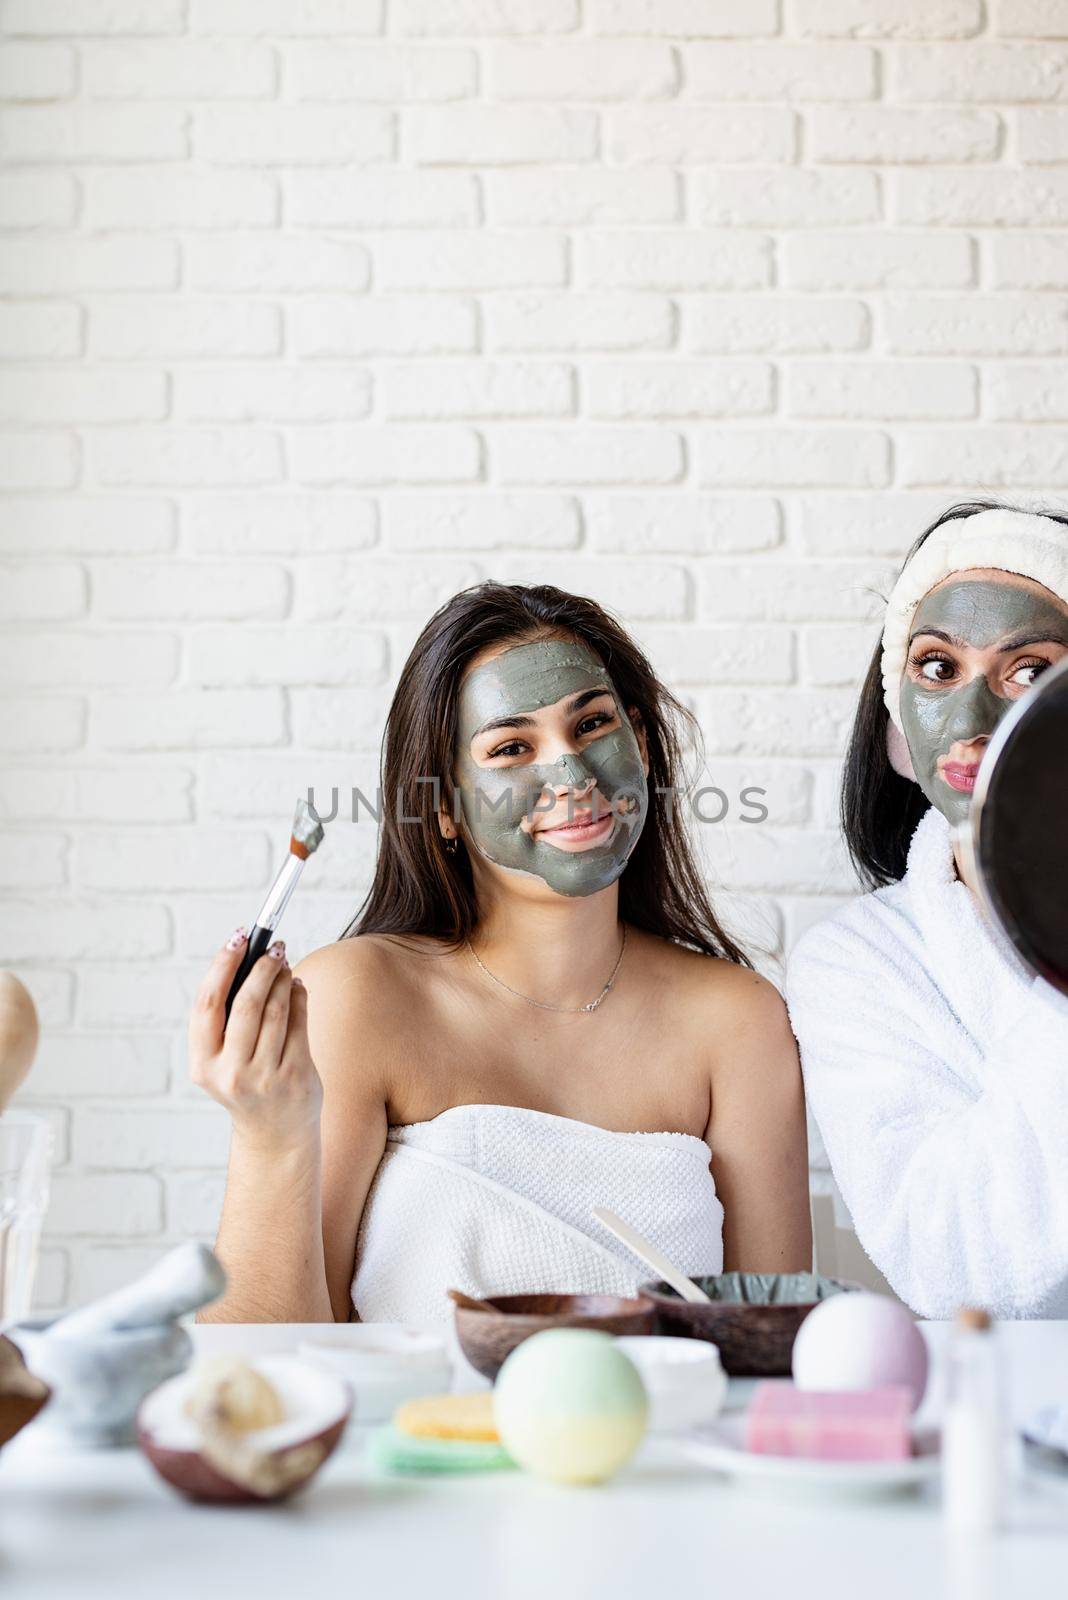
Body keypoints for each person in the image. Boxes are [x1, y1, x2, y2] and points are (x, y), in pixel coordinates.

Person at [191, 582, 811, 1323]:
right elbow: (263, 1375)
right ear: (447, 807)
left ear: (640, 747)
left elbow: (772, 1352)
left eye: (592, 725)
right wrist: (269, 1137)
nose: (574, 778)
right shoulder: (357, 999)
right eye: (513, 748)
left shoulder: (737, 1021)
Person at [786, 502, 1068, 1319]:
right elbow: (959, 1269)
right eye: (937, 668)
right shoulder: (856, 965)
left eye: (1030, 670)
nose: (974, 721)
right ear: (898, 731)